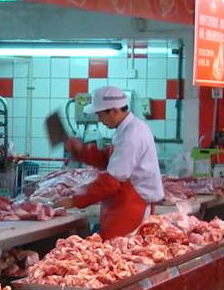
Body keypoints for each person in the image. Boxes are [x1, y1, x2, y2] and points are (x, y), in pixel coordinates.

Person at [64, 86, 165, 238]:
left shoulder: (131, 135)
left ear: (114, 111)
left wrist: (76, 200)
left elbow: (112, 182)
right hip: (124, 203)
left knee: (121, 255)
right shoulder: (127, 129)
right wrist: (82, 152)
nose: (99, 120)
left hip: (132, 206)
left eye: (100, 115)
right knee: (112, 254)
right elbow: (110, 159)